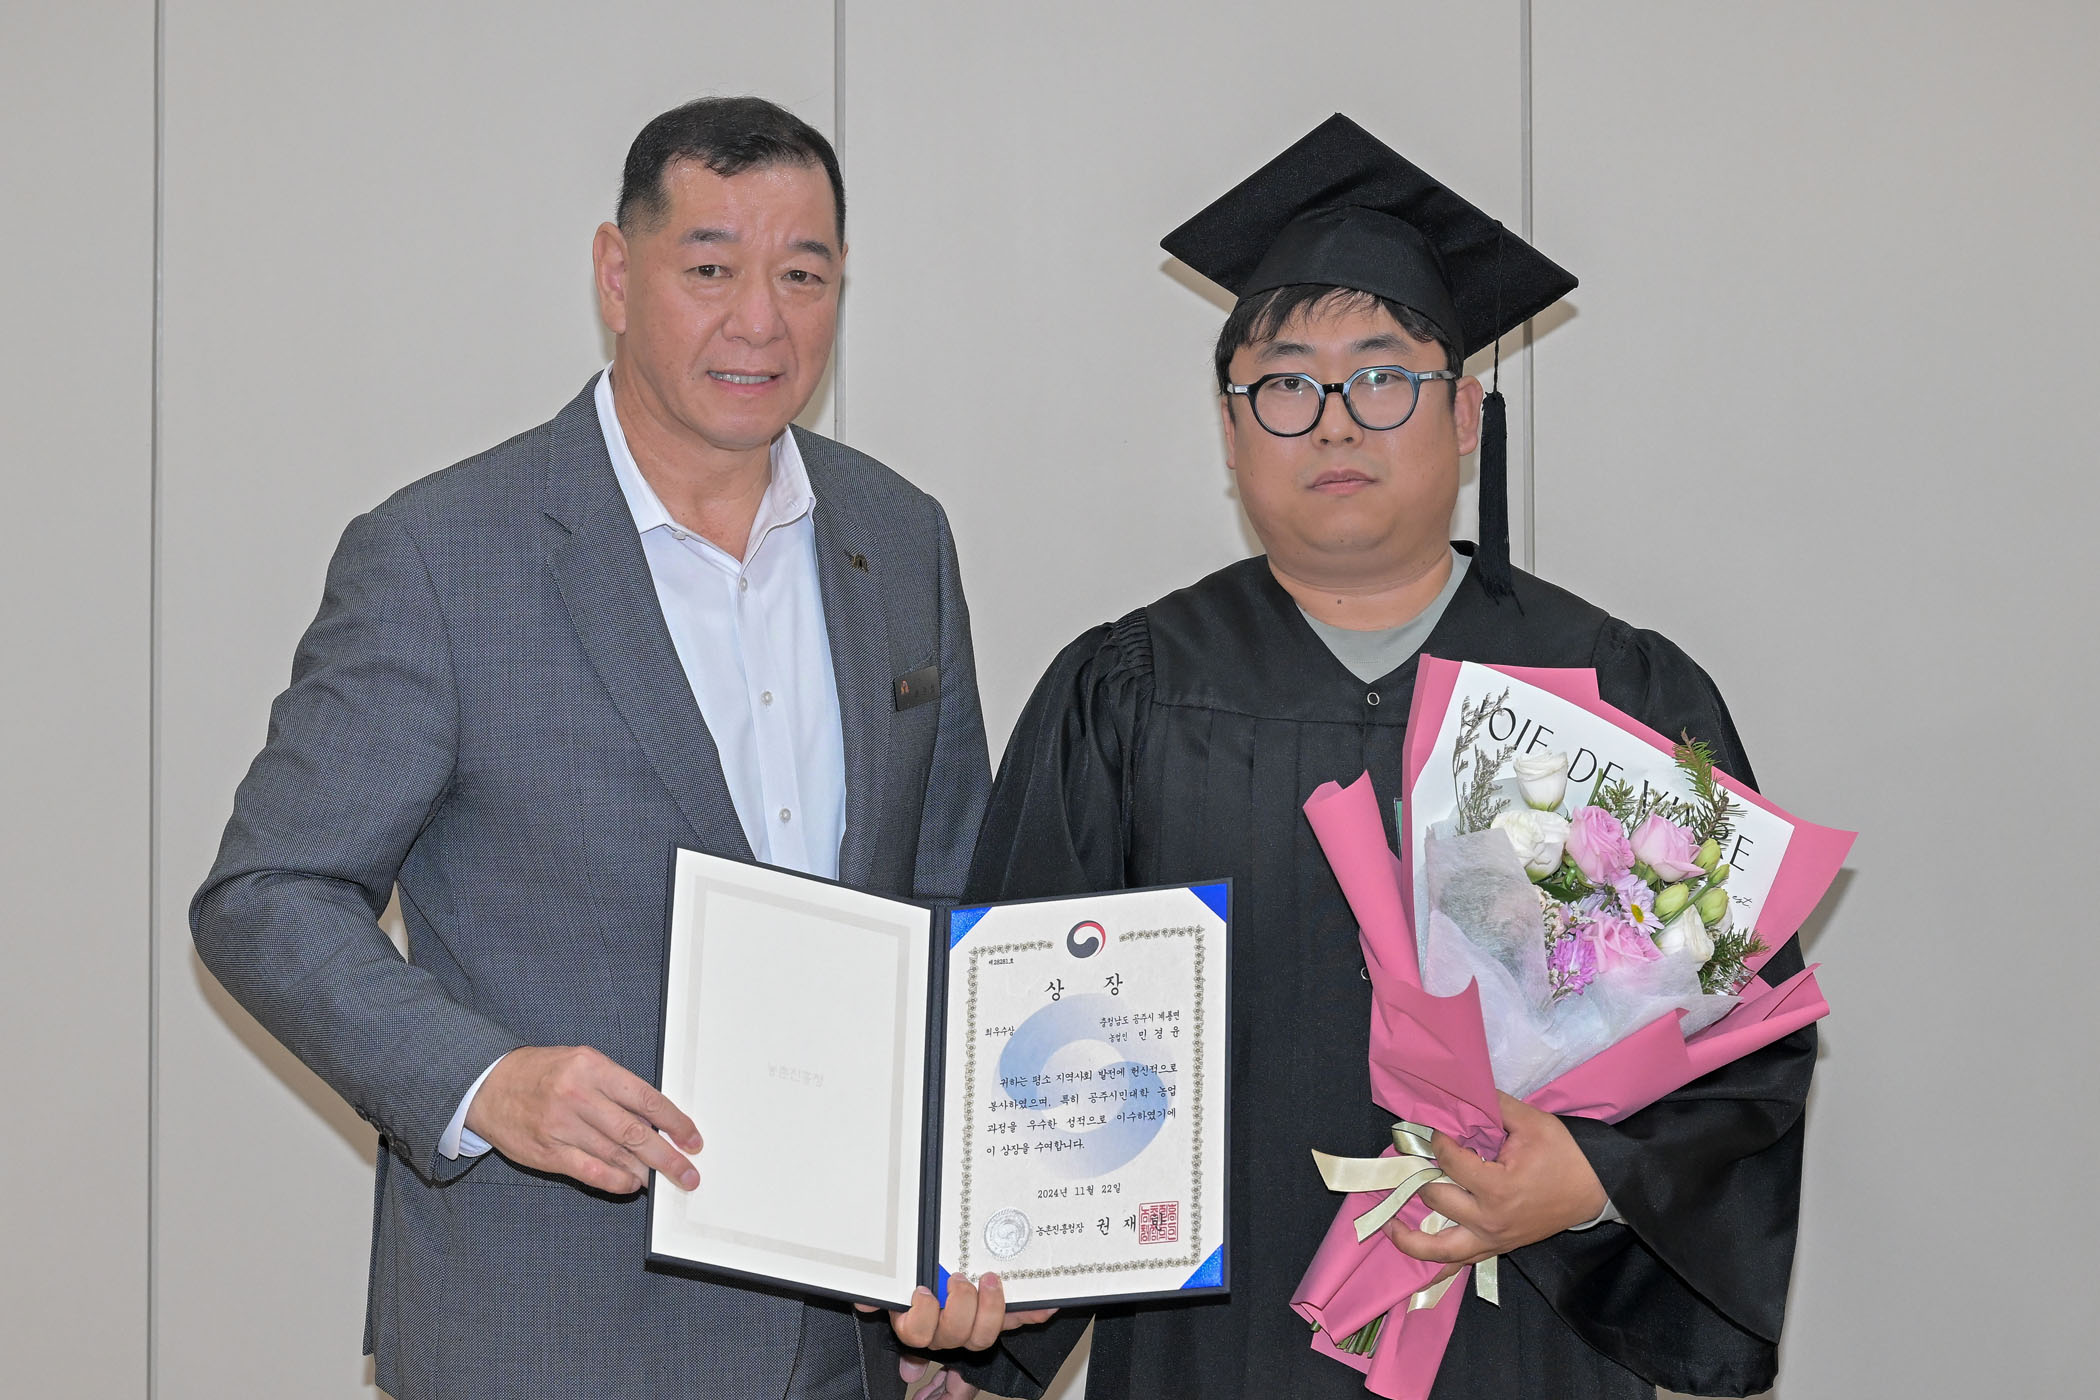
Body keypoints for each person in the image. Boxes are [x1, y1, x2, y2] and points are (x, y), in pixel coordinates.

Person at [936, 115, 1815, 1400]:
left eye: (1384, 378)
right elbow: (1012, 1041)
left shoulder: (1616, 691)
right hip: (1213, 1353)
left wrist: (1585, 1179)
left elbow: (1743, 1046)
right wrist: (978, 1317)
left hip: (1528, 1350)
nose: (1335, 423)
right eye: (1286, 384)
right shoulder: (1128, 693)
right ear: (1231, 428)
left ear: (1462, 414)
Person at [192, 95, 1017, 1399]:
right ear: (617, 275)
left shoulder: (900, 535)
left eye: (803, 276)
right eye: (711, 269)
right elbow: (266, 893)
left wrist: (963, 1249)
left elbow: (953, 900)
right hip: (549, 1333)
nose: (761, 321)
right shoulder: (441, 555)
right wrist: (484, 1081)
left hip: (846, 1342)